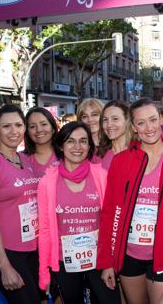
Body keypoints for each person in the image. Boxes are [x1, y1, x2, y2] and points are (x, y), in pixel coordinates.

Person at [97, 97, 163, 304]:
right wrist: (108, 261)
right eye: (141, 123)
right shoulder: (120, 161)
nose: (148, 128)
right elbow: (108, 214)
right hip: (129, 255)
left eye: (153, 120)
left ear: (162, 120)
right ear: (133, 127)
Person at [37, 121, 120, 303]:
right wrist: (44, 271)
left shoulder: (101, 176)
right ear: (60, 145)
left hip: (99, 260)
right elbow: (44, 230)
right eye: (70, 141)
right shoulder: (47, 182)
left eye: (83, 141)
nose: (77, 147)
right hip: (65, 263)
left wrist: (110, 263)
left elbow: (112, 222)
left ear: (90, 146)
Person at [0, 105, 42, 303]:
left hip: (33, 248)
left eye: (19, 125)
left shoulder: (25, 159)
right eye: (6, 126)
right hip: (8, 253)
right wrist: (4, 266)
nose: (14, 131)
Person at [96, 100, 132, 171]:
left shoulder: (139, 152)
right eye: (105, 120)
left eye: (115, 119)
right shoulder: (99, 155)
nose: (109, 125)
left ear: (127, 120)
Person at [24, 107, 59, 177]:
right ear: (27, 132)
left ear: (53, 128)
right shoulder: (20, 159)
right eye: (32, 126)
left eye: (44, 124)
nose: (39, 130)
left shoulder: (66, 155)